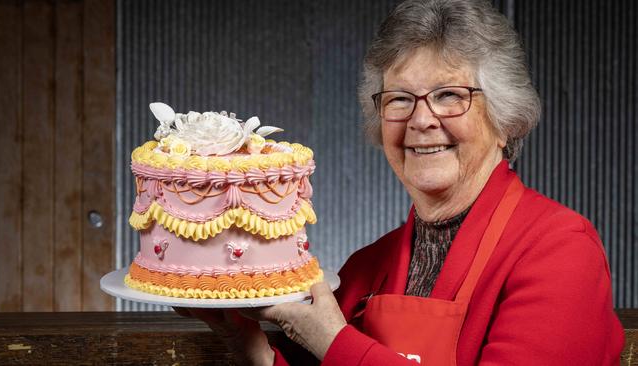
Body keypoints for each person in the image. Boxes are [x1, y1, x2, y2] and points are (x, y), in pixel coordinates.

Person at [176, 0, 625, 364]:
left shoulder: (561, 250)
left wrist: (335, 343)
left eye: (450, 95)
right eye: (400, 99)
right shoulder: (367, 268)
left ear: (505, 120)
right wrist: (246, 341)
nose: (421, 119)